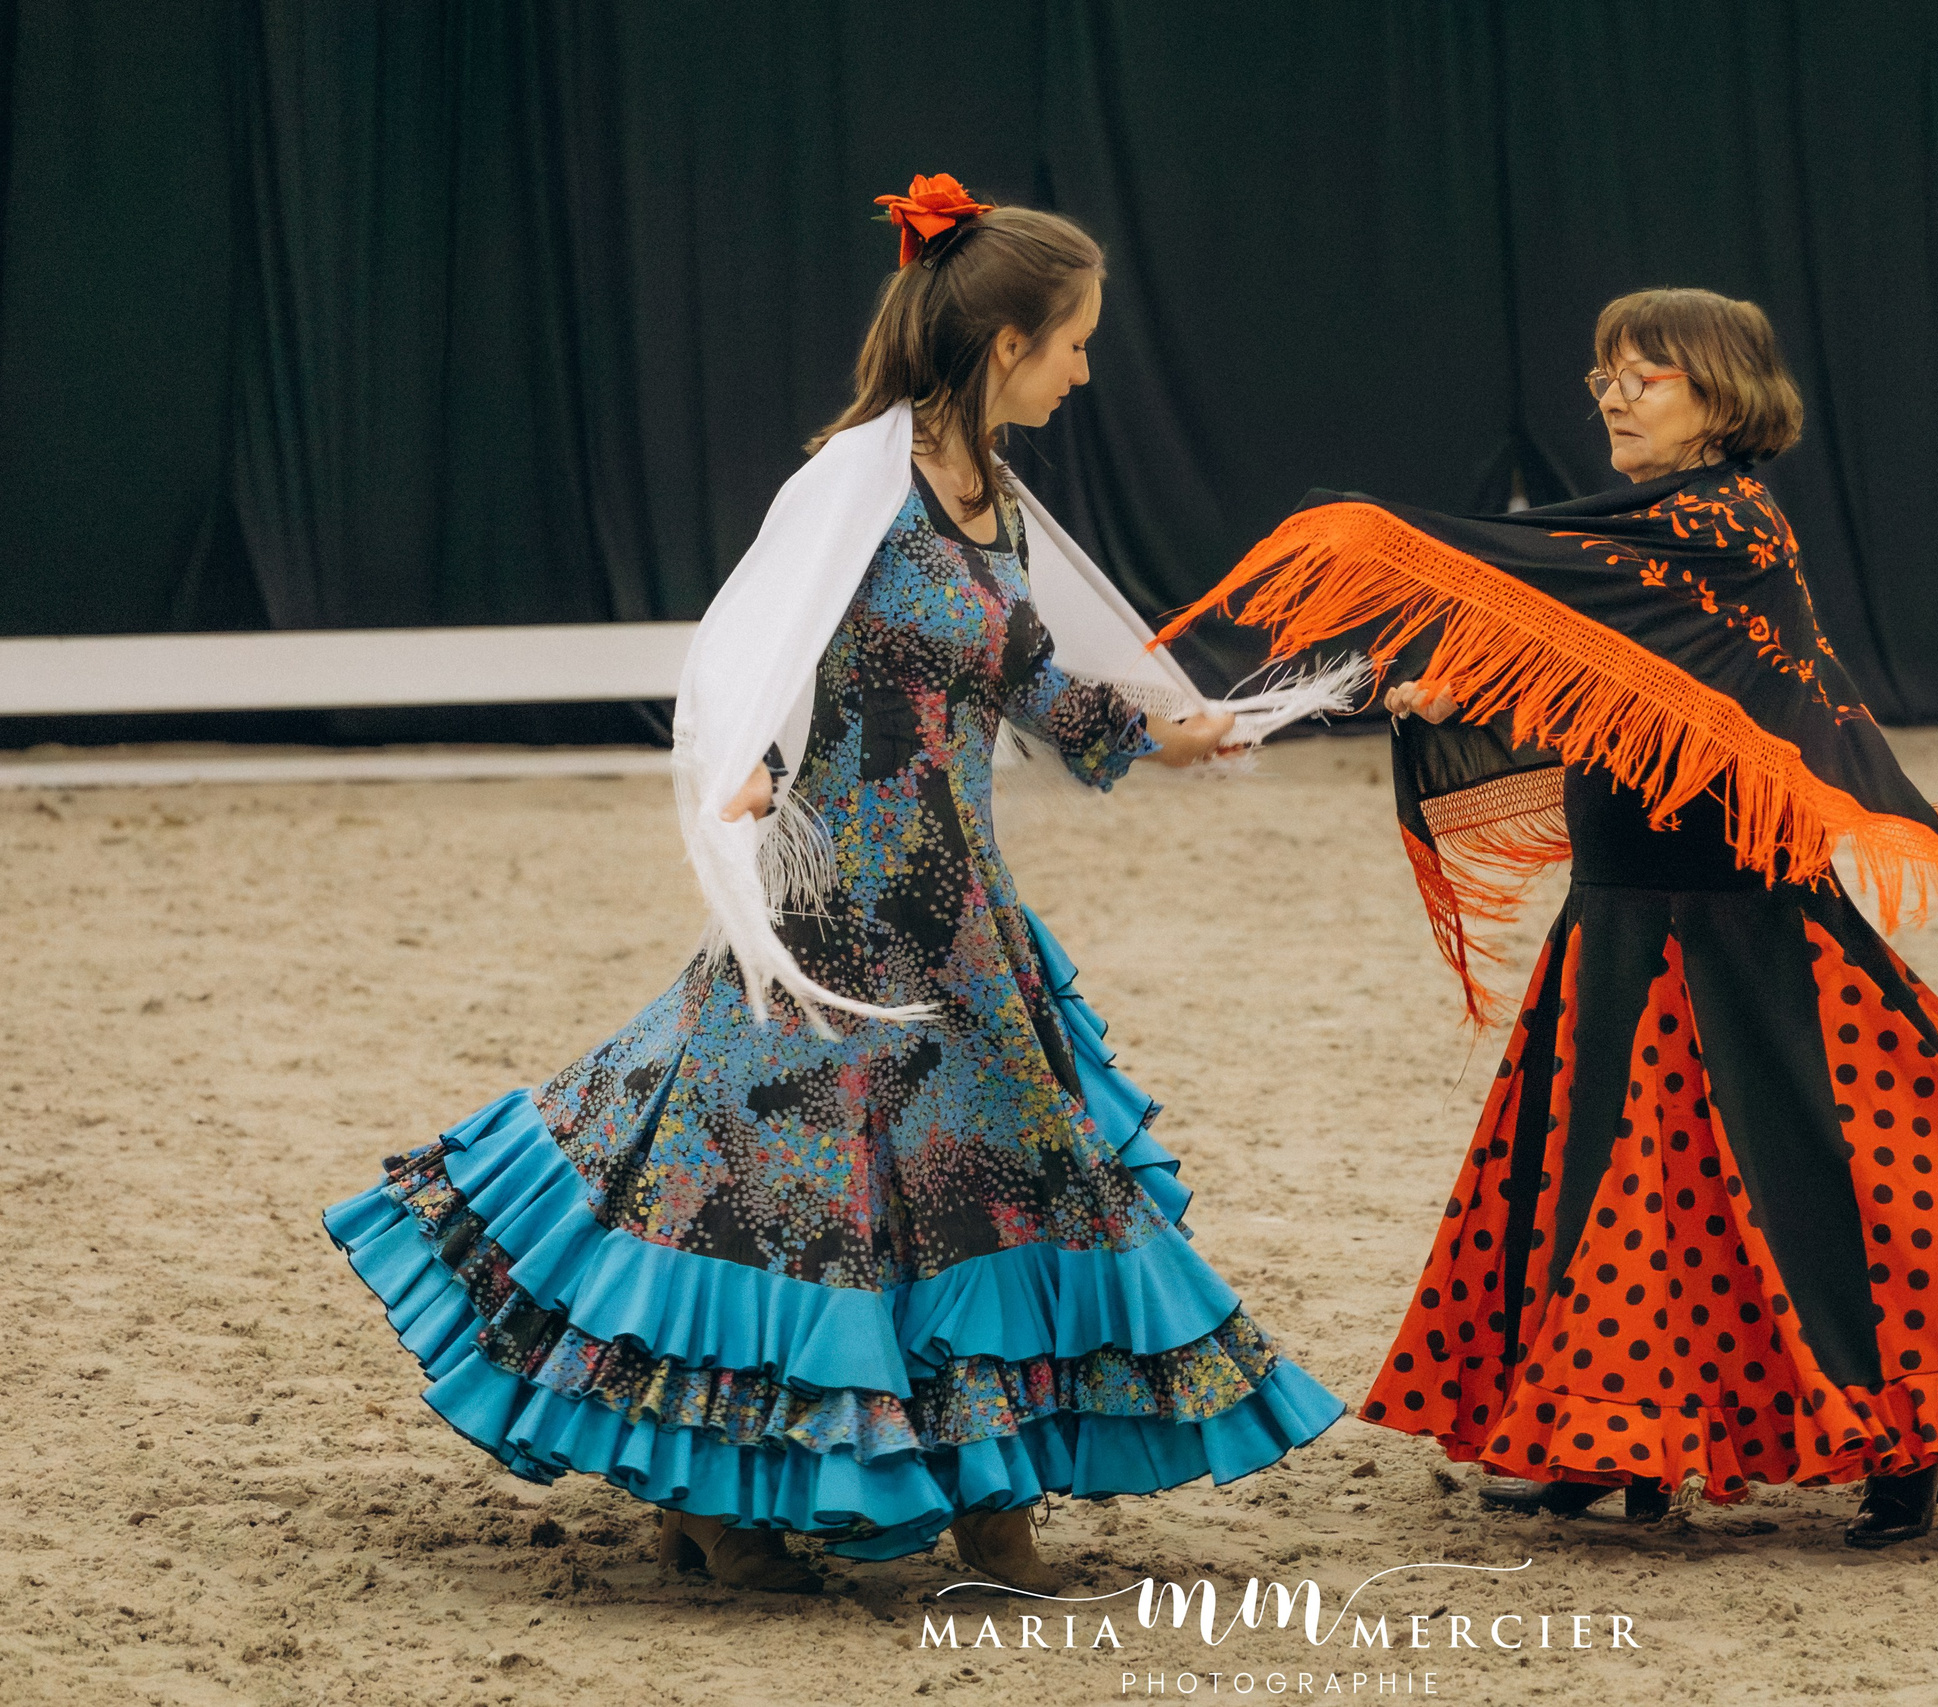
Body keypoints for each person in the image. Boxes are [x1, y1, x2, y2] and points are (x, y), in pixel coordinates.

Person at [325, 175, 1340, 1595]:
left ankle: (992, 1513)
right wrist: (747, 764)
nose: (1086, 367)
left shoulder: (995, 503)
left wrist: (1182, 726)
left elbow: (1032, 677)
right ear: (1005, 346)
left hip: (959, 915)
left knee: (1006, 1180)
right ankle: (724, 1505)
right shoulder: (853, 486)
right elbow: (763, 646)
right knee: (771, 1200)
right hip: (828, 914)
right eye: (1074, 342)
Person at [1163, 288, 1938, 1548]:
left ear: (1722, 396)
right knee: (1617, 1173)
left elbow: (1587, 619)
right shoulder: (1642, 534)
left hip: (1745, 915)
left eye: (1647, 373)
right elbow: (1593, 673)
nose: (1613, 393)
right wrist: (1454, 681)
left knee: (1834, 1173)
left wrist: (1389, 548)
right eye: (1604, 373)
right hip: (1623, 902)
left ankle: (1904, 1440)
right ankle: (1604, 1432)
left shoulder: (1723, 530)